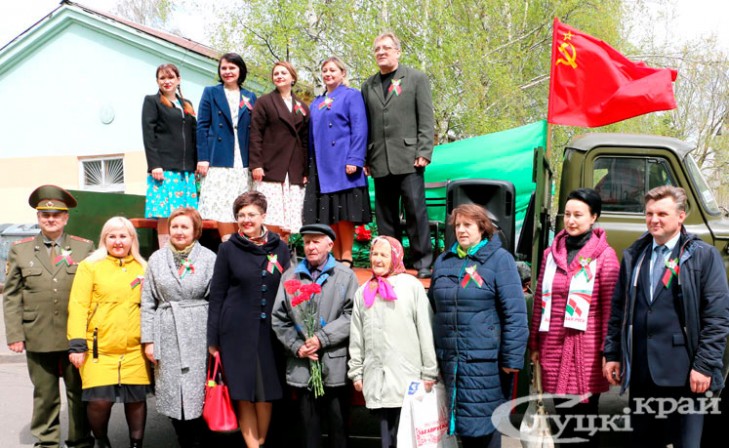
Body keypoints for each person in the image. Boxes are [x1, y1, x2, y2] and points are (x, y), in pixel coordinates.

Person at [603, 185, 729, 448]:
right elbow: (619, 309)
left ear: (681, 216)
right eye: (649, 213)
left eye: (662, 213)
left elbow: (717, 318)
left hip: (685, 375)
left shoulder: (702, 256)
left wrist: (704, 366)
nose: (654, 220)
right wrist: (613, 353)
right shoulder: (635, 255)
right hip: (642, 375)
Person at [3, 185, 95, 448]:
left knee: (78, 393)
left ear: (66, 218)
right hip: (38, 333)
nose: (51, 219)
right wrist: (15, 334)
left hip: (74, 335)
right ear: (38, 218)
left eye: (56, 215)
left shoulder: (83, 248)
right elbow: (11, 295)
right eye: (45, 215)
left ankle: (80, 440)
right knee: (45, 394)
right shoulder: (20, 250)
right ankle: (46, 442)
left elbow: (95, 291)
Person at [429, 204, 528, 448]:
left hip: (486, 365)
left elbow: (515, 313)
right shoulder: (443, 261)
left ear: (482, 228)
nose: (461, 230)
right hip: (451, 362)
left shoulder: (500, 260)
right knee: (462, 430)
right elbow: (433, 308)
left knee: (484, 429)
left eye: (468, 225)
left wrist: (511, 360)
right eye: (457, 225)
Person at [528, 189, 619, 447]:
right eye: (567, 214)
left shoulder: (605, 256)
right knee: (563, 419)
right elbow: (540, 300)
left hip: (586, 354)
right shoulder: (551, 255)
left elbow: (612, 311)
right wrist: (534, 344)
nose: (571, 220)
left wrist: (610, 351)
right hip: (553, 348)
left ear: (594, 217)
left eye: (578, 215)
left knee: (583, 422)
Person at [207, 191, 291, 447]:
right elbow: (217, 295)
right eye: (241, 215)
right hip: (236, 332)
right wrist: (213, 340)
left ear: (263, 216)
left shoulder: (280, 248)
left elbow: (289, 290)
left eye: (251, 214)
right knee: (243, 393)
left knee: (266, 393)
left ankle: (260, 443)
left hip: (270, 333)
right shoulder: (227, 249)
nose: (246, 220)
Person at [67, 217, 151, 448]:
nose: (118, 241)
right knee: (99, 401)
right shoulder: (90, 266)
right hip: (99, 350)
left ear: (132, 239)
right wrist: (77, 344)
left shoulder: (143, 268)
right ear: (104, 239)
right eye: (112, 236)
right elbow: (78, 305)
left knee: (136, 400)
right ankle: (102, 442)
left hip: (134, 350)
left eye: (123, 236)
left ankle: (136, 445)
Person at [272, 223, 357, 448]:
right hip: (303, 365)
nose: (310, 247)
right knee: (309, 432)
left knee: (339, 430)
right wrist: (297, 346)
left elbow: (352, 315)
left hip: (335, 365)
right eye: (307, 242)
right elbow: (279, 318)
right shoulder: (291, 276)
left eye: (316, 242)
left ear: (330, 245)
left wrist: (321, 338)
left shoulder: (345, 276)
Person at [348, 236, 438, 448]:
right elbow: (357, 336)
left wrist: (429, 372)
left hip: (408, 379)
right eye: (374, 254)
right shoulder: (363, 292)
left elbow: (426, 330)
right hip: (378, 380)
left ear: (395, 257)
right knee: (386, 438)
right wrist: (356, 372)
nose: (377, 259)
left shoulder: (411, 287)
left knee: (408, 439)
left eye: (384, 255)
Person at [140, 207, 216, 448]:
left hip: (198, 331)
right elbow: (148, 302)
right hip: (167, 331)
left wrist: (215, 339)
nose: (179, 231)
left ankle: (199, 441)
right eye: (175, 226)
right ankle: (183, 439)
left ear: (196, 231)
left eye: (185, 227)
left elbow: (217, 300)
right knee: (172, 393)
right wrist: (149, 341)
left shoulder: (209, 258)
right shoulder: (156, 259)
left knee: (198, 392)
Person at [361, 32, 435, 279]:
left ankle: (423, 261)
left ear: (398, 51)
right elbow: (366, 124)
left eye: (386, 48)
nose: (381, 52)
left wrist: (424, 150)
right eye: (377, 49)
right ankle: (391, 262)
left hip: (410, 158)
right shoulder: (368, 85)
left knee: (415, 212)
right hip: (379, 159)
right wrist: (365, 157)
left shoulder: (416, 78)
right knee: (386, 217)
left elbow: (426, 118)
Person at [303, 57, 371, 267]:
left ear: (343, 73)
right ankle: (335, 256)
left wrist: (355, 159)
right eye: (324, 70)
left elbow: (360, 128)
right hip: (321, 166)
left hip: (344, 163)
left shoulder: (351, 96)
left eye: (332, 70)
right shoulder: (316, 102)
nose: (328, 74)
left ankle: (347, 256)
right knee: (329, 213)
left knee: (344, 213)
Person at [196, 52, 256, 241]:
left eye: (232, 68)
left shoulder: (249, 96)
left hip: (242, 157)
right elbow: (202, 126)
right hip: (219, 156)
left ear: (240, 70)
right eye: (224, 68)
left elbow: (256, 129)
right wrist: (203, 158)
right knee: (222, 204)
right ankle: (228, 243)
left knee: (241, 203)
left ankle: (242, 243)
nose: (228, 72)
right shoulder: (211, 92)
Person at [249, 61, 309, 241]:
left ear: (293, 78)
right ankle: (267, 249)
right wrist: (256, 164)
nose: (279, 76)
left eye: (283, 73)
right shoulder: (264, 102)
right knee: (271, 215)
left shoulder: (302, 106)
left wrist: (305, 170)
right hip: (271, 166)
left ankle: (283, 251)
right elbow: (255, 134)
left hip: (294, 167)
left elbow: (305, 141)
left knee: (288, 220)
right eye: (276, 74)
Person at [141, 63, 198, 249]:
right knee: (166, 214)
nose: (167, 81)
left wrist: (197, 163)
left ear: (178, 80)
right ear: (157, 81)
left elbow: (194, 135)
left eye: (170, 77)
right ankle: (165, 254)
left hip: (186, 171)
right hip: (164, 169)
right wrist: (154, 165)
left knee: (186, 215)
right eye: (162, 78)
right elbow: (149, 135)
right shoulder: (152, 101)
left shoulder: (186, 104)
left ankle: (186, 252)